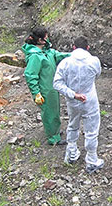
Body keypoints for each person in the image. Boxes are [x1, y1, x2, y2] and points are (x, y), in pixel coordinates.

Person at [53, 36, 104, 174]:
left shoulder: (65, 63)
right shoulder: (94, 61)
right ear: (88, 48)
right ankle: (92, 160)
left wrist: (73, 94)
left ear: (73, 47)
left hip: (73, 101)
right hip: (89, 100)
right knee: (92, 129)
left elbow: (57, 83)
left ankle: (71, 154)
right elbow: (97, 75)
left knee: (73, 125)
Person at [22, 27, 70, 145]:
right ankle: (53, 138)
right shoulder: (35, 56)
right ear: (40, 40)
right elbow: (30, 75)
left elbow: (58, 55)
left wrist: (75, 55)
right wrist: (36, 93)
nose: (48, 39)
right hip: (45, 90)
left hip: (52, 87)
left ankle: (55, 131)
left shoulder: (47, 52)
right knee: (49, 113)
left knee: (55, 110)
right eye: (46, 37)